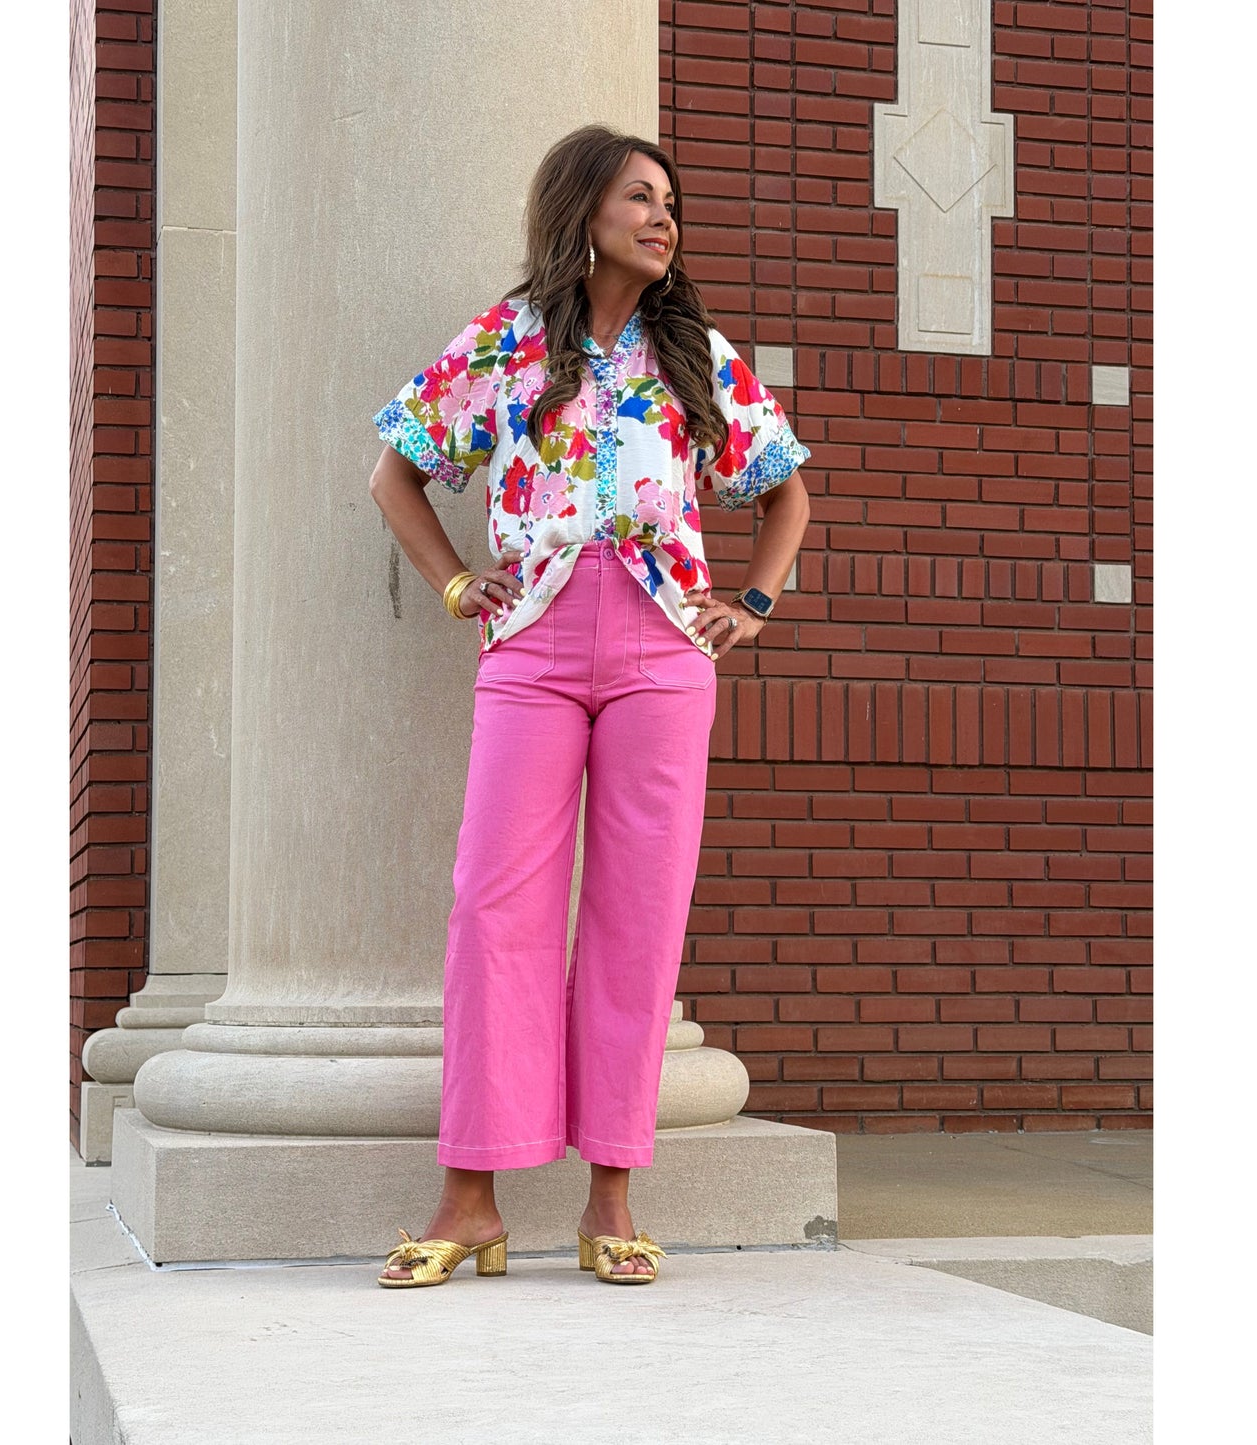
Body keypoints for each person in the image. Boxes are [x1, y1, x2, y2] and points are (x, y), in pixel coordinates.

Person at [367, 124, 811, 1287]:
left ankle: (610, 1195)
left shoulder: (695, 354)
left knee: (636, 916)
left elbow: (783, 492)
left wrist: (752, 602)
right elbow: (395, 473)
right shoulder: (504, 342)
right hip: (532, 644)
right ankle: (469, 1198)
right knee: (493, 907)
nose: (663, 218)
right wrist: (455, 582)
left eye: (669, 202)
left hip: (665, 648)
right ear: (581, 210)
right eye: (639, 198)